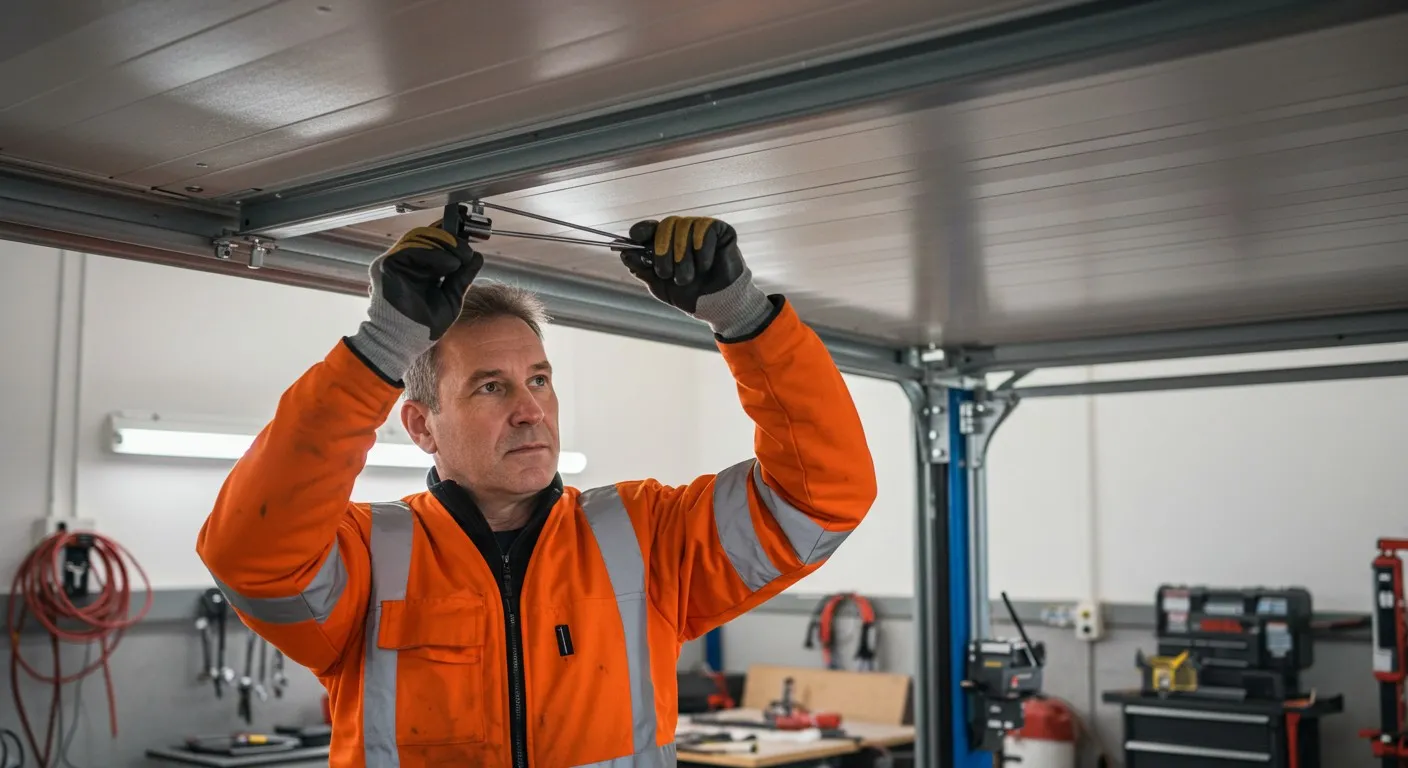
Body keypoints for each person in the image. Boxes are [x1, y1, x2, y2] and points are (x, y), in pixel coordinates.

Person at [195, 214, 877, 767]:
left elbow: (822, 495)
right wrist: (381, 345)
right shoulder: (366, 559)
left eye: (539, 380)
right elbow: (249, 555)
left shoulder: (647, 537)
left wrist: (744, 316)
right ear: (421, 426)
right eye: (491, 386)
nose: (530, 411)